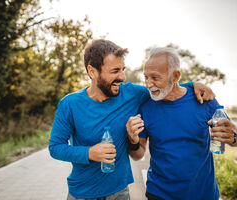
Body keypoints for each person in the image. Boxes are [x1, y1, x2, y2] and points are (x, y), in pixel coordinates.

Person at [49, 39, 215, 200]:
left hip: (119, 192)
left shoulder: (133, 94)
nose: (122, 76)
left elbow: (166, 87)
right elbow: (55, 147)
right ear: (92, 71)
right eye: (115, 71)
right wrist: (89, 153)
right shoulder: (69, 104)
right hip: (82, 192)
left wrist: (193, 85)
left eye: (123, 69)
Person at [126, 47, 237, 200]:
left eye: (155, 78)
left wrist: (234, 136)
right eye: (146, 77)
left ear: (175, 76)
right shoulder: (145, 108)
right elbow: (138, 154)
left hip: (204, 194)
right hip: (159, 194)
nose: (148, 84)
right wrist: (134, 142)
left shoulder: (203, 100)